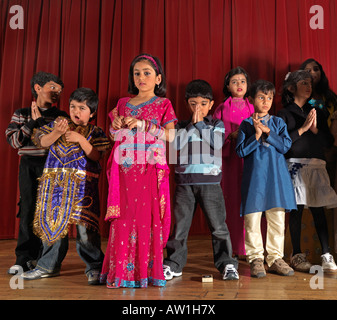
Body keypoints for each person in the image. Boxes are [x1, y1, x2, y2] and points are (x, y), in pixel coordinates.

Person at [100, 53, 177, 288]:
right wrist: (114, 127)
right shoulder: (123, 103)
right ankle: (120, 273)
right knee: (123, 219)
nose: (141, 77)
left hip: (148, 170)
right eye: (136, 73)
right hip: (123, 171)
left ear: (158, 78)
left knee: (145, 219)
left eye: (146, 73)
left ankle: (145, 273)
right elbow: (115, 136)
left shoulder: (163, 104)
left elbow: (171, 136)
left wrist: (144, 125)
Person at [21, 88, 111, 284]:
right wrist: (56, 132)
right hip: (55, 187)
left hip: (83, 189)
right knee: (52, 228)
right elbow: (42, 142)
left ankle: (95, 267)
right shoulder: (56, 125)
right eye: (72, 106)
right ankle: (47, 266)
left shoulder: (95, 132)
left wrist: (80, 139)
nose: (76, 111)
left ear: (92, 113)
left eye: (82, 108)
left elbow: (97, 156)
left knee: (86, 232)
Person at [163, 79, 239, 281]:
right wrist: (191, 126)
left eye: (203, 104)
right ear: (187, 103)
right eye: (193, 104)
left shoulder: (216, 124)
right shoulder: (179, 125)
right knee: (179, 228)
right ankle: (173, 264)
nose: (198, 108)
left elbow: (217, 143)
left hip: (211, 184)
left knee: (219, 227)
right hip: (184, 184)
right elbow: (176, 144)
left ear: (211, 104)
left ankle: (227, 264)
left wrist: (199, 124)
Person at [5, 71, 66, 275]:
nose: (57, 92)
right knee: (28, 209)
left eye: (59, 89)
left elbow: (59, 142)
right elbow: (15, 142)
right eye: (52, 87)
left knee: (50, 212)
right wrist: (32, 122)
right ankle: (23, 259)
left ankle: (44, 259)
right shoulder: (21, 113)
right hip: (29, 165)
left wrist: (40, 124)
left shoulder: (62, 116)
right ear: (38, 88)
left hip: (53, 166)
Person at [236, 80, 297, 278]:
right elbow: (241, 151)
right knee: (252, 220)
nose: (266, 101)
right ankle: (255, 259)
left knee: (277, 219)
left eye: (269, 98)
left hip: (276, 178)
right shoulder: (245, 125)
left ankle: (275, 258)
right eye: (261, 97)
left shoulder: (278, 123)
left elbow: (285, 146)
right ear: (252, 99)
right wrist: (256, 134)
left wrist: (268, 132)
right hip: (255, 178)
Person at [278, 70, 337, 272]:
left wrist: (315, 130)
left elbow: (329, 142)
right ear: (291, 88)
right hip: (294, 165)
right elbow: (283, 145)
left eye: (310, 83)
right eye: (303, 83)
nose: (308, 86)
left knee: (318, 210)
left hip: (316, 165)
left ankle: (326, 254)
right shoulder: (284, 113)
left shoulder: (318, 112)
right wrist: (302, 129)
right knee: (296, 210)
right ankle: (297, 254)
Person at [213, 67, 254, 257]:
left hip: (250, 160)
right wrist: (231, 137)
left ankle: (251, 248)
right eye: (234, 81)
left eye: (242, 81)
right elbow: (213, 136)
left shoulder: (254, 107)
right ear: (227, 86)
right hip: (229, 160)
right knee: (231, 201)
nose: (239, 85)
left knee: (251, 200)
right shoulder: (221, 109)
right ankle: (233, 248)